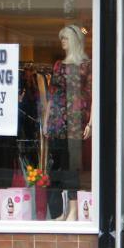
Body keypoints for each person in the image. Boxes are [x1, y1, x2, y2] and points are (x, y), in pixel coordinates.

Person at [44, 25, 92, 220]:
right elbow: (52, 95)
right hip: (57, 120)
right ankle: (62, 211)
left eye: (65, 38)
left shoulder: (86, 65)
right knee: (57, 167)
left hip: (75, 120)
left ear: (73, 41)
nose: (62, 41)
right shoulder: (57, 65)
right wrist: (46, 121)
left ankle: (73, 210)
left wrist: (90, 122)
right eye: (61, 38)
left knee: (72, 167)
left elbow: (92, 93)